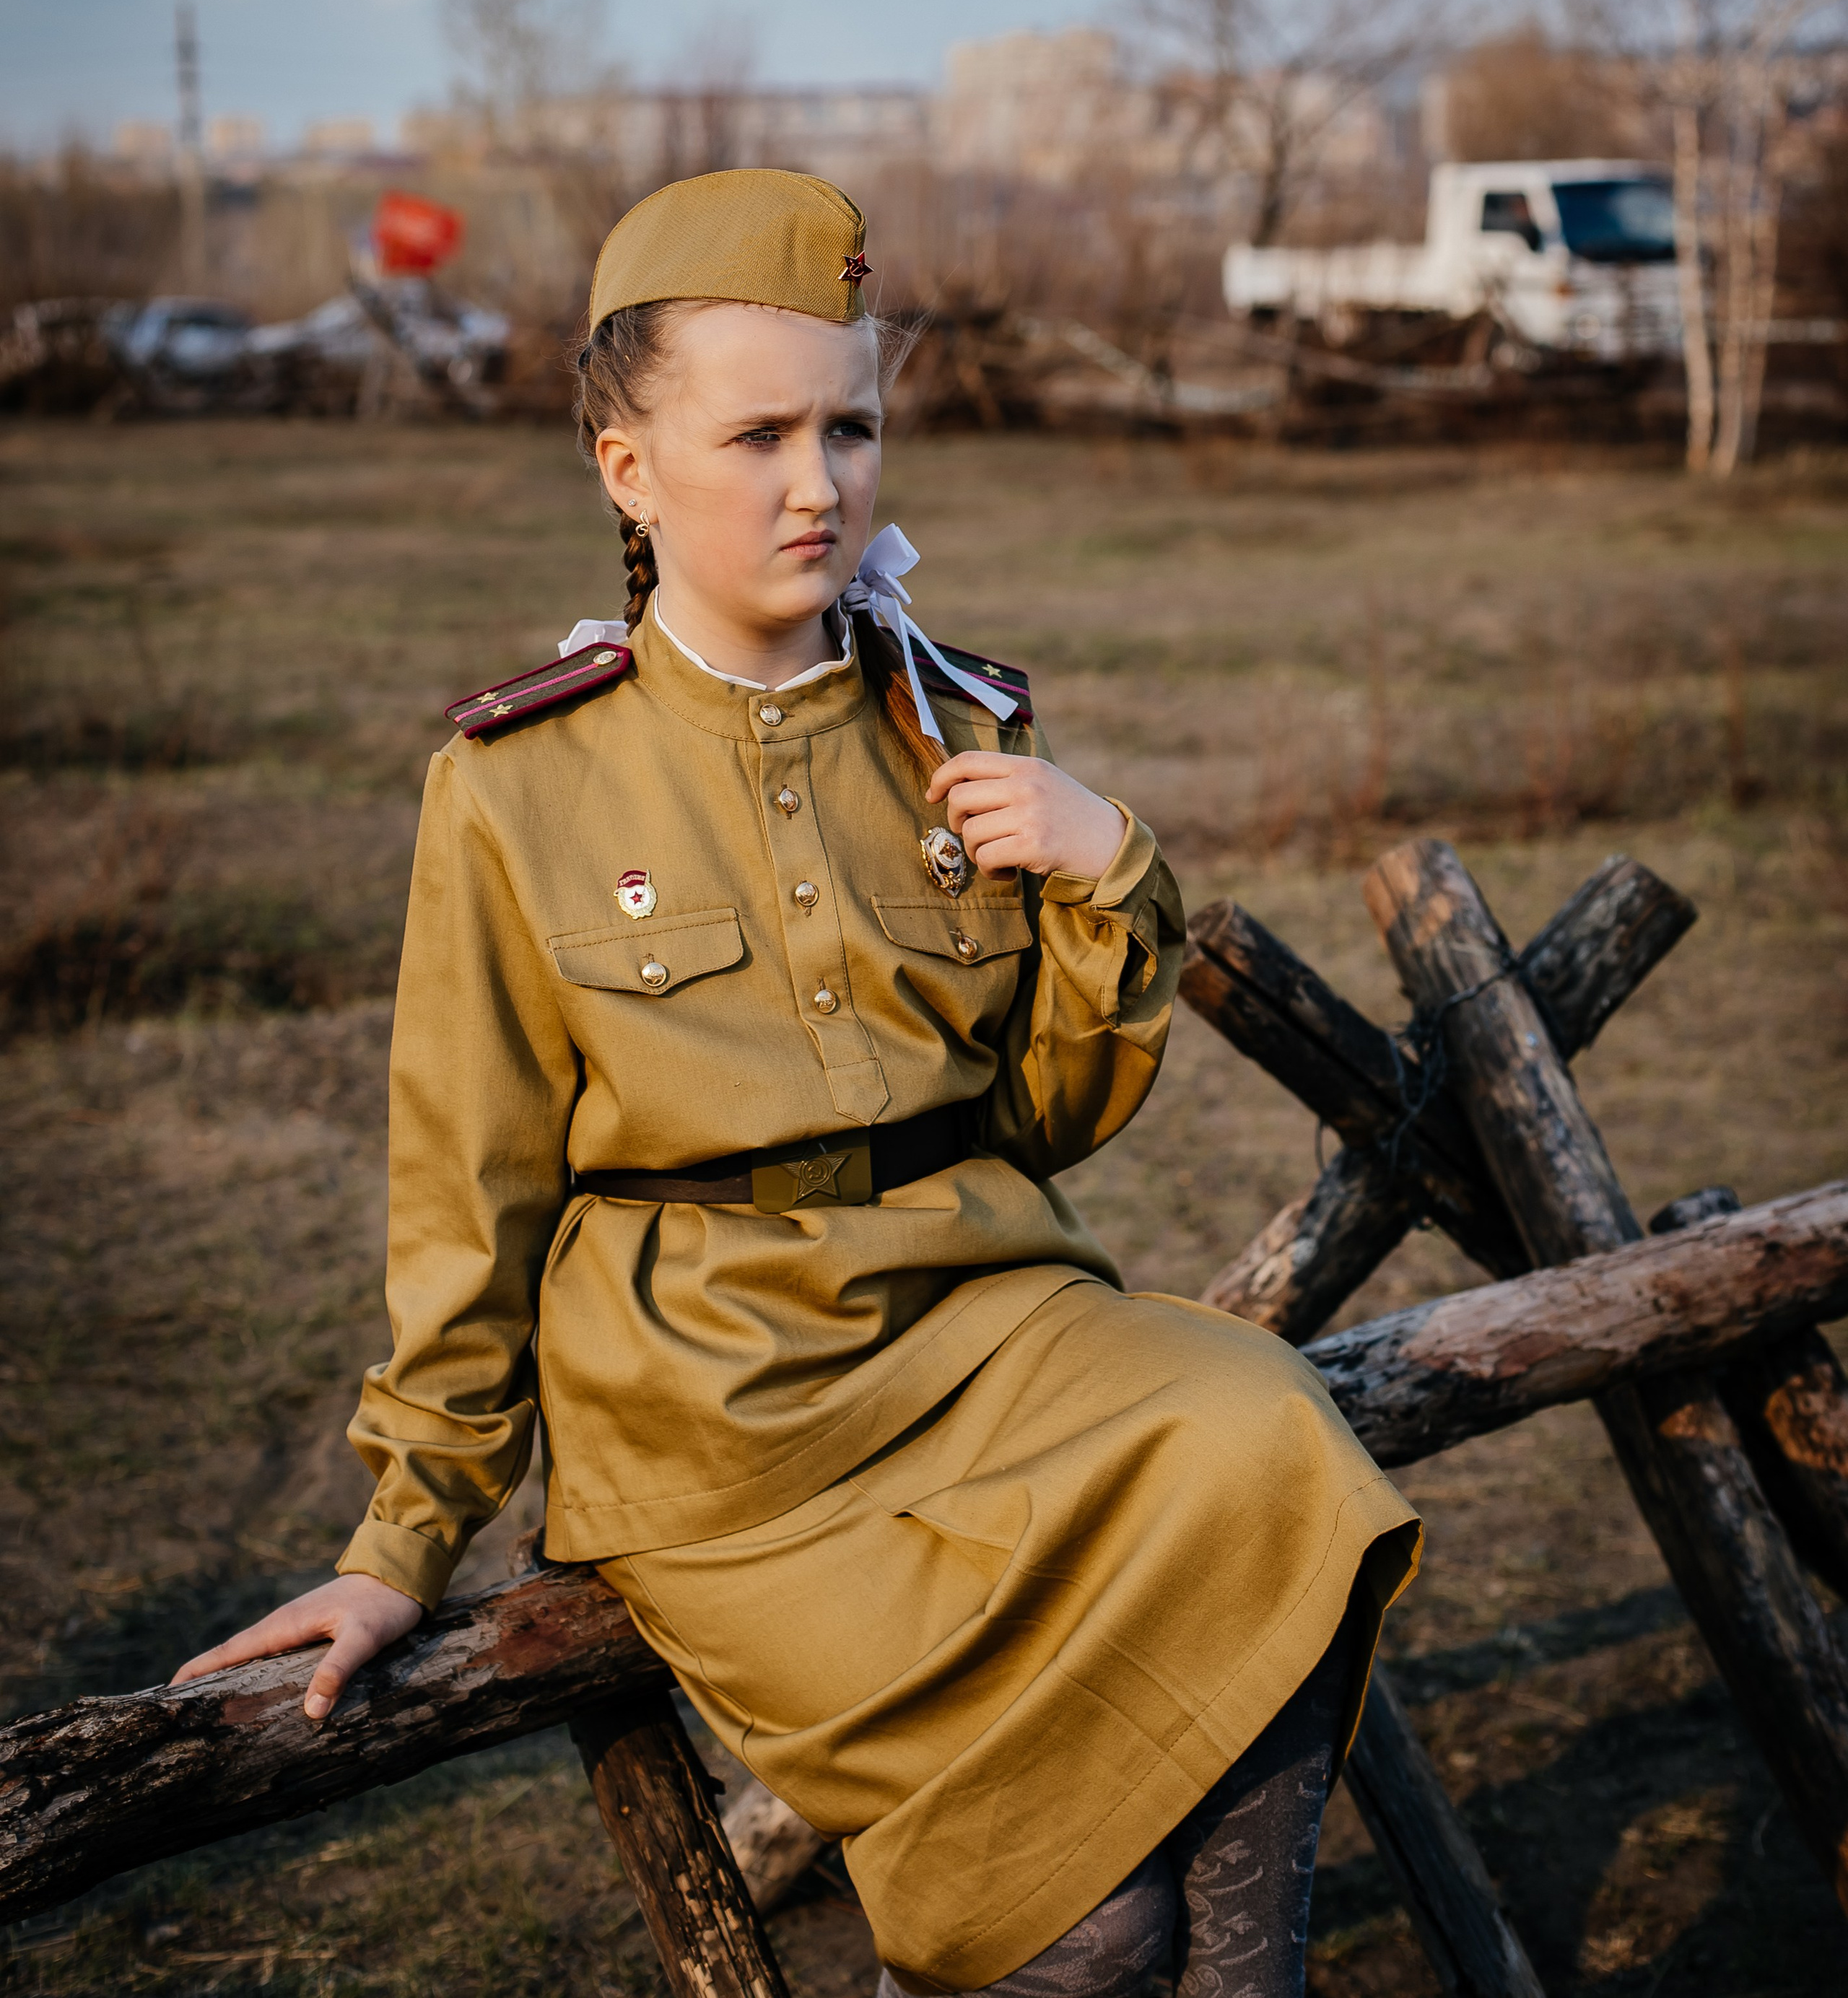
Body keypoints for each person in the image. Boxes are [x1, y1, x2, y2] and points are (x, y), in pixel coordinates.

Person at [175, 170, 1419, 1998]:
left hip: (985, 1324)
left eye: (849, 426)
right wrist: (401, 1538)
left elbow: (1047, 1122)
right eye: (756, 436)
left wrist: (1107, 874)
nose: (817, 483)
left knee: (1267, 1442)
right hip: (718, 1425)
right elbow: (468, 1186)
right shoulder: (516, 786)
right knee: (1083, 1932)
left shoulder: (958, 726)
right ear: (627, 468)